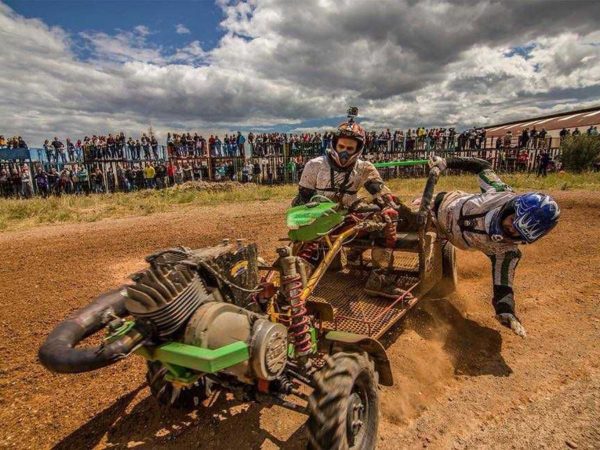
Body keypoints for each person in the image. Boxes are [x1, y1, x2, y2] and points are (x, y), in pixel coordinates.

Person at [428, 156, 560, 337]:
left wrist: (506, 311)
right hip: (436, 207)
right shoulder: (500, 192)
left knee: (429, 275)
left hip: (446, 236)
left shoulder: (506, 252)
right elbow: (482, 166)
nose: (510, 230)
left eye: (519, 233)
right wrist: (446, 162)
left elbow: (503, 286)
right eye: (513, 221)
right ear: (513, 207)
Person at [292, 108, 407, 298]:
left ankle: (379, 279)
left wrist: (389, 205)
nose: (344, 152)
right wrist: (303, 221)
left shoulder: (364, 168)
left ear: (358, 149)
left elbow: (380, 192)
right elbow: (301, 198)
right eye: (341, 147)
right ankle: (298, 275)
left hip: (349, 217)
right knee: (305, 251)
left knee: (388, 217)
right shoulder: (315, 165)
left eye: (350, 148)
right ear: (334, 145)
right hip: (319, 217)